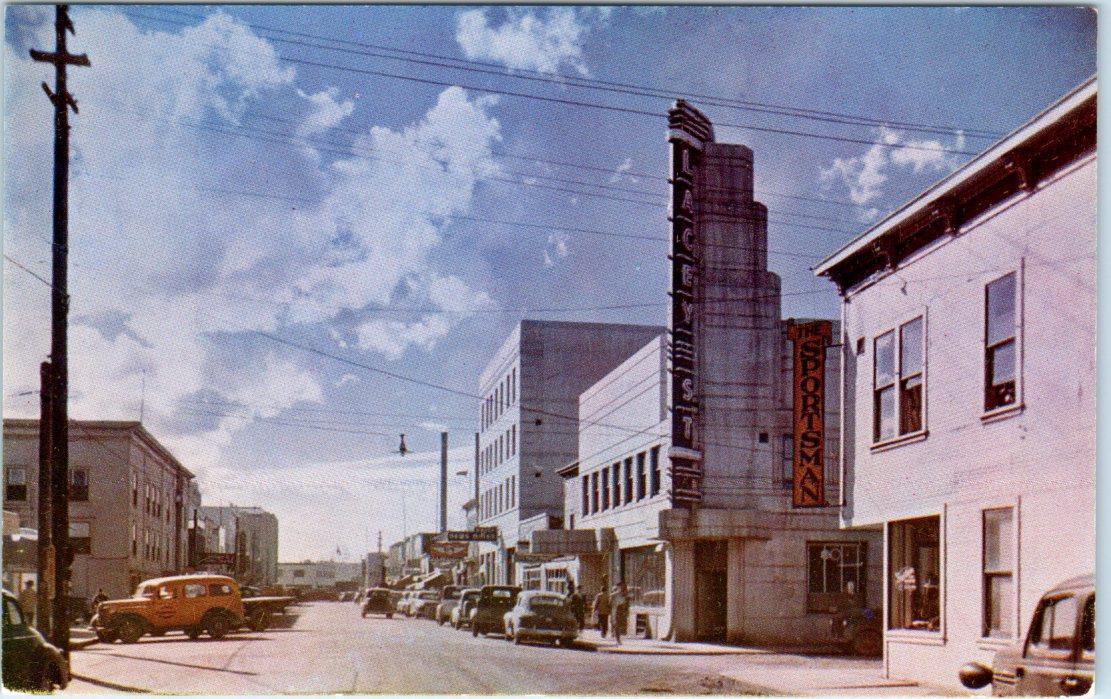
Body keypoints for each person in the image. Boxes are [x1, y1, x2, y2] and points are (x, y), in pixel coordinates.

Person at [611, 582, 630, 646]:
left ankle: (617, 638)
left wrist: (627, 612)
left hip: (622, 612)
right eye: (620, 587)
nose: (621, 588)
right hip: (616, 611)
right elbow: (610, 604)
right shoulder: (614, 595)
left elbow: (627, 605)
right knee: (617, 626)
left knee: (621, 626)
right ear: (618, 587)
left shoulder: (625, 595)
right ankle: (617, 639)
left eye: (623, 587)